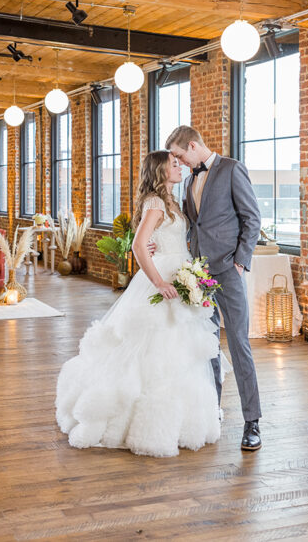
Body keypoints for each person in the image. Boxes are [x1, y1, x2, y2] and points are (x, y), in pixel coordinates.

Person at [55, 151, 221, 457]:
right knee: (152, 348)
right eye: (173, 163)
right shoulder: (156, 202)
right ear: (160, 171)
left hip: (179, 270)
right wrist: (159, 281)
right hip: (162, 279)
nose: (179, 166)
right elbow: (137, 244)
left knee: (178, 350)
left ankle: (181, 420)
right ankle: (136, 422)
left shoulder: (172, 199)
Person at [165, 125, 263, 451]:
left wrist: (240, 262)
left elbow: (252, 218)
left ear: (193, 146)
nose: (179, 163)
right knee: (206, 346)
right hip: (199, 276)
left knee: (238, 344)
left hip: (229, 272)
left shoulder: (232, 169)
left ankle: (252, 422)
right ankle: (212, 411)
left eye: (180, 156)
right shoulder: (191, 179)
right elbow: (193, 224)